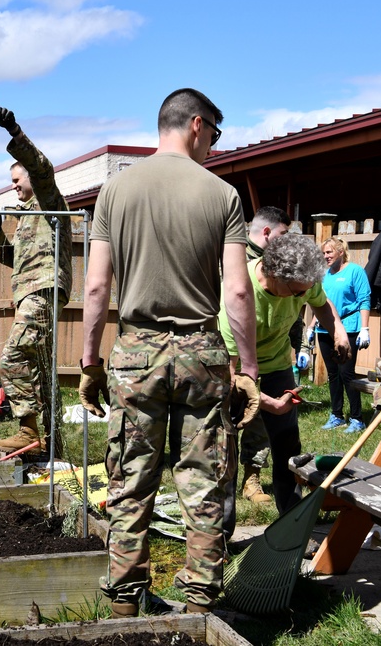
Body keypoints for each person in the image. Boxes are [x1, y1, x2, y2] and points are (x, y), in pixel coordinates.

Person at [78, 88, 259, 616]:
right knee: (203, 483)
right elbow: (239, 292)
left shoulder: (115, 192)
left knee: (130, 481)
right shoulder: (222, 195)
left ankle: (124, 610)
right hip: (202, 353)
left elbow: (95, 289)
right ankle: (201, 606)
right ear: (197, 125)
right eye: (216, 136)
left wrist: (90, 362)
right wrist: (247, 369)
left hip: (135, 354)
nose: (214, 147)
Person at [219, 234, 350, 536]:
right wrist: (267, 403)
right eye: (295, 293)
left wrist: (339, 331)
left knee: (289, 450)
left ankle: (292, 529)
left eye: (304, 291)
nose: (300, 297)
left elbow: (321, 304)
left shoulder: (301, 281)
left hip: (277, 366)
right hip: (233, 373)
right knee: (223, 454)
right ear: (272, 273)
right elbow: (228, 373)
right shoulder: (238, 292)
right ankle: (219, 540)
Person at [0, 107, 73, 453]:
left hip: (44, 290)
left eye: (17, 180)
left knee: (12, 355)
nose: (14, 187)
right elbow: (13, 260)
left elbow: (41, 169)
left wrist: (15, 132)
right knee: (42, 370)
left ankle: (27, 430)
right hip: (31, 291)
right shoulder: (24, 217)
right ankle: (53, 446)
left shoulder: (49, 202)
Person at [236, 206, 290, 505]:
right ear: (267, 232)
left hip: (269, 355)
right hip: (234, 354)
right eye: (283, 234)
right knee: (233, 419)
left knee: (259, 424)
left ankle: (251, 478)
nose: (286, 241)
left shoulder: (284, 265)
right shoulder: (234, 256)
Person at [313, 237, 371, 433]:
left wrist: (365, 328)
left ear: (340, 252)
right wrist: (311, 327)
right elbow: (319, 303)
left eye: (329, 252)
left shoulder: (355, 271)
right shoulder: (324, 275)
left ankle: (357, 418)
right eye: (323, 253)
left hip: (349, 328)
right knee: (333, 374)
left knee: (347, 373)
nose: (325, 256)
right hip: (324, 329)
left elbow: (364, 300)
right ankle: (337, 414)